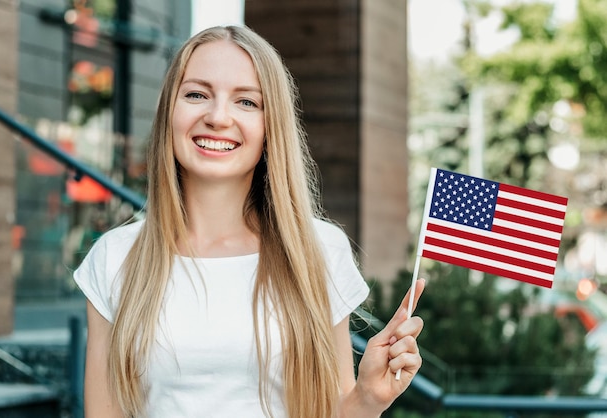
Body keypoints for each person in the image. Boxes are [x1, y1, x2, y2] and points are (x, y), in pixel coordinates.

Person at [73, 24, 425, 418]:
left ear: (270, 126)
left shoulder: (319, 250)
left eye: (247, 102)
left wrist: (367, 400)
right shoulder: (115, 257)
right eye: (196, 94)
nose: (218, 117)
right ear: (168, 112)